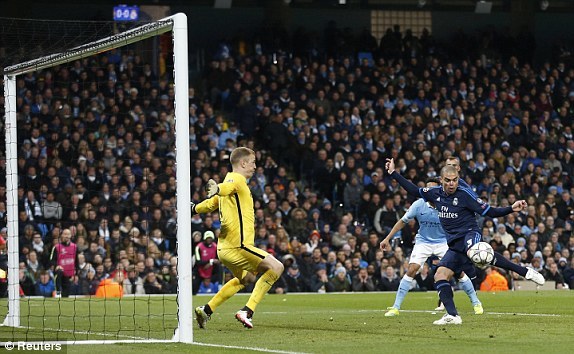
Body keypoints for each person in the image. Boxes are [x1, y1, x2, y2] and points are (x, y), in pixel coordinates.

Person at [385, 158, 545, 325]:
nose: (451, 184)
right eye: (447, 181)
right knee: (440, 275)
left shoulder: (465, 194)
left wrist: (511, 208)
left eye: (454, 180)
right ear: (441, 181)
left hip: (470, 235)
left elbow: (490, 211)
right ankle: (453, 316)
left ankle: (525, 272)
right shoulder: (435, 194)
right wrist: (393, 173)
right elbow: (414, 190)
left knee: (477, 252)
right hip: (454, 245)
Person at [193, 147, 284, 329]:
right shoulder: (237, 180)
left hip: (224, 249)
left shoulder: (229, 184)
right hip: (239, 246)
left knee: (247, 278)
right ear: (243, 163)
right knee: (277, 267)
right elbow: (228, 187)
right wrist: (218, 188)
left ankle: (207, 310)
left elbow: (211, 204)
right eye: (253, 162)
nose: (255, 166)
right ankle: (247, 311)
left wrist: (194, 208)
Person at [381, 177, 483, 317]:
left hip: (444, 242)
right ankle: (395, 307)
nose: (427, 191)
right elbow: (403, 221)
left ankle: (476, 302)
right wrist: (387, 238)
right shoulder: (418, 204)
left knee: (458, 272)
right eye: (426, 188)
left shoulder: (449, 205)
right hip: (423, 241)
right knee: (412, 269)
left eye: (432, 189)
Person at [49, 228, 77, 298]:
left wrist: (77, 273)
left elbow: (77, 261)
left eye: (68, 234)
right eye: (65, 234)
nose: (66, 236)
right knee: (59, 272)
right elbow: (51, 260)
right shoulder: (56, 247)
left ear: (71, 236)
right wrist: (56, 266)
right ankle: (58, 293)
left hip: (69, 273)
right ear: (61, 236)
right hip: (60, 271)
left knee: (66, 295)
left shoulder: (74, 247)